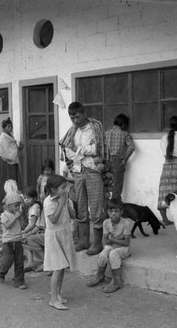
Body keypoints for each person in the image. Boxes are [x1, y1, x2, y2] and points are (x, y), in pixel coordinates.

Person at [59, 101, 105, 255]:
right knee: (81, 207)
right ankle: (84, 240)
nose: (75, 121)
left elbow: (98, 148)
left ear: (84, 114)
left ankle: (97, 244)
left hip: (93, 170)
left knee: (96, 207)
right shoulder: (72, 132)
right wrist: (85, 151)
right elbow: (68, 152)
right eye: (72, 118)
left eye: (77, 117)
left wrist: (79, 150)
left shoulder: (95, 128)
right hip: (78, 171)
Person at [43, 174, 78, 310]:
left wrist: (67, 203)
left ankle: (58, 295)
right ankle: (53, 299)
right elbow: (53, 220)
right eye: (62, 187)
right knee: (57, 268)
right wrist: (61, 204)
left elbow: (73, 215)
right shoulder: (48, 202)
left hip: (64, 235)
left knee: (62, 267)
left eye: (65, 187)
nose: (65, 190)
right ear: (53, 190)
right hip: (54, 238)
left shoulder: (65, 199)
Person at [87, 199, 133, 293]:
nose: (113, 214)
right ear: (107, 212)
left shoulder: (126, 223)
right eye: (110, 211)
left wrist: (112, 239)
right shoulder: (106, 223)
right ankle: (99, 275)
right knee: (104, 253)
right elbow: (104, 241)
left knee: (113, 253)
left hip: (123, 249)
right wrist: (117, 240)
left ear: (121, 212)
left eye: (116, 211)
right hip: (112, 246)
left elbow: (126, 242)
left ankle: (117, 281)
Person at [0, 191, 27, 290]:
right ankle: (1, 272)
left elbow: (22, 227)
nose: (18, 208)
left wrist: (21, 218)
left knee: (19, 262)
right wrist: (16, 217)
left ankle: (19, 281)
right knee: (7, 260)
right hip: (8, 242)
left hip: (17, 240)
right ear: (8, 205)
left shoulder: (17, 215)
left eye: (19, 205)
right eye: (16, 205)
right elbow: (8, 225)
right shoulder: (4, 215)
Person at [104, 114, 135, 201]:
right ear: (123, 124)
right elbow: (132, 147)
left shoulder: (106, 133)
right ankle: (115, 206)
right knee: (117, 185)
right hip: (118, 161)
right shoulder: (124, 134)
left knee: (106, 185)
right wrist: (125, 159)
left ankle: (107, 207)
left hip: (106, 161)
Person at [20, 187, 44, 272]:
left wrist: (24, 232)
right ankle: (30, 261)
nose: (26, 200)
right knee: (22, 238)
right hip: (34, 229)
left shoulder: (35, 207)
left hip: (38, 231)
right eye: (25, 198)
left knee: (25, 238)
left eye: (28, 198)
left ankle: (43, 261)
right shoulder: (31, 206)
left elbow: (32, 224)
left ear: (35, 198)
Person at [0, 118, 23, 187]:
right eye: (8, 127)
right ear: (4, 128)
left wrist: (20, 148)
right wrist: (6, 158)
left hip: (13, 161)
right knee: (8, 180)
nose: (10, 128)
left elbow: (13, 150)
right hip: (6, 162)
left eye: (11, 126)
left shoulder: (10, 137)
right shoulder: (2, 138)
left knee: (14, 179)